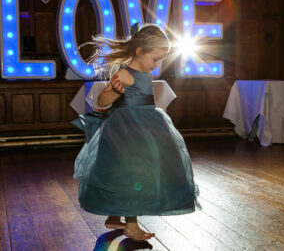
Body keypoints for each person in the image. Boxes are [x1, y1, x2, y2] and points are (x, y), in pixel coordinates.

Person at [71, 23, 202, 242]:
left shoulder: (144, 73)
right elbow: (100, 102)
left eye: (161, 59)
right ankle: (131, 226)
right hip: (126, 131)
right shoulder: (125, 73)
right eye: (155, 59)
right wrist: (113, 92)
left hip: (146, 126)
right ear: (140, 51)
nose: (158, 64)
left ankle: (114, 216)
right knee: (133, 173)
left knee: (122, 173)